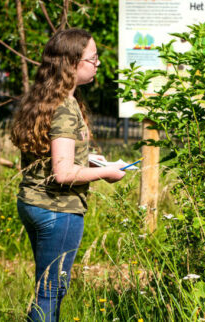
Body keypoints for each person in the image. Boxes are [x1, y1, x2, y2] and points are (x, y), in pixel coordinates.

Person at [10, 28, 127, 322]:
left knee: (45, 288)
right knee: (50, 292)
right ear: (72, 64)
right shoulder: (65, 107)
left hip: (33, 203)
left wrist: (89, 159)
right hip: (57, 211)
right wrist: (107, 173)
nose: (98, 64)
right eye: (93, 58)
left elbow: (50, 155)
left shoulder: (45, 98)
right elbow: (62, 173)